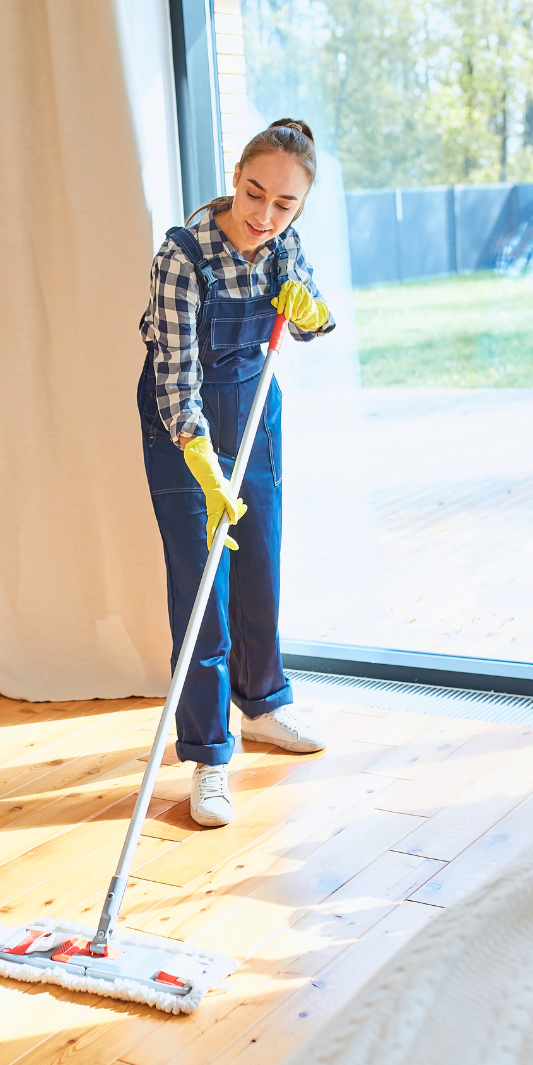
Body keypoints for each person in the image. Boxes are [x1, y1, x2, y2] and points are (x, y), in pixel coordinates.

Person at [137, 119, 336, 828]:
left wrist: (310, 312)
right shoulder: (182, 255)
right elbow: (176, 377)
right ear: (236, 176)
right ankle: (209, 754)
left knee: (260, 563)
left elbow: (309, 317)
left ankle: (265, 705)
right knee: (202, 586)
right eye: (255, 193)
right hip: (183, 422)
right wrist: (198, 454)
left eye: (284, 205)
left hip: (256, 406)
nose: (264, 216)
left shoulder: (283, 244)